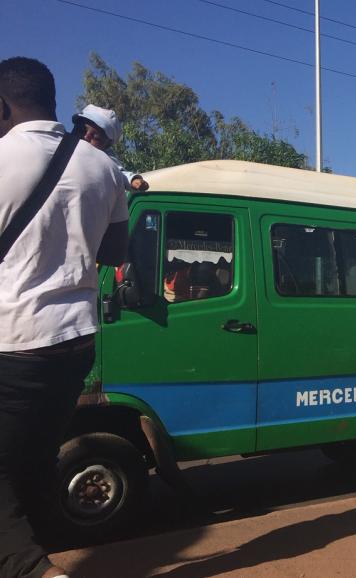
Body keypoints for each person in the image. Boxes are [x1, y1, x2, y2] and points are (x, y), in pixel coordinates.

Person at [0, 57, 128, 578]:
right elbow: (114, 252)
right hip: (75, 342)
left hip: (14, 341)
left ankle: (32, 568)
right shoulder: (106, 170)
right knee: (32, 461)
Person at [71, 104, 148, 192]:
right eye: (81, 129)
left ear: (106, 146)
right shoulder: (61, 143)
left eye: (96, 137)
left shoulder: (104, 159)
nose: (86, 136)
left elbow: (118, 173)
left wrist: (132, 180)